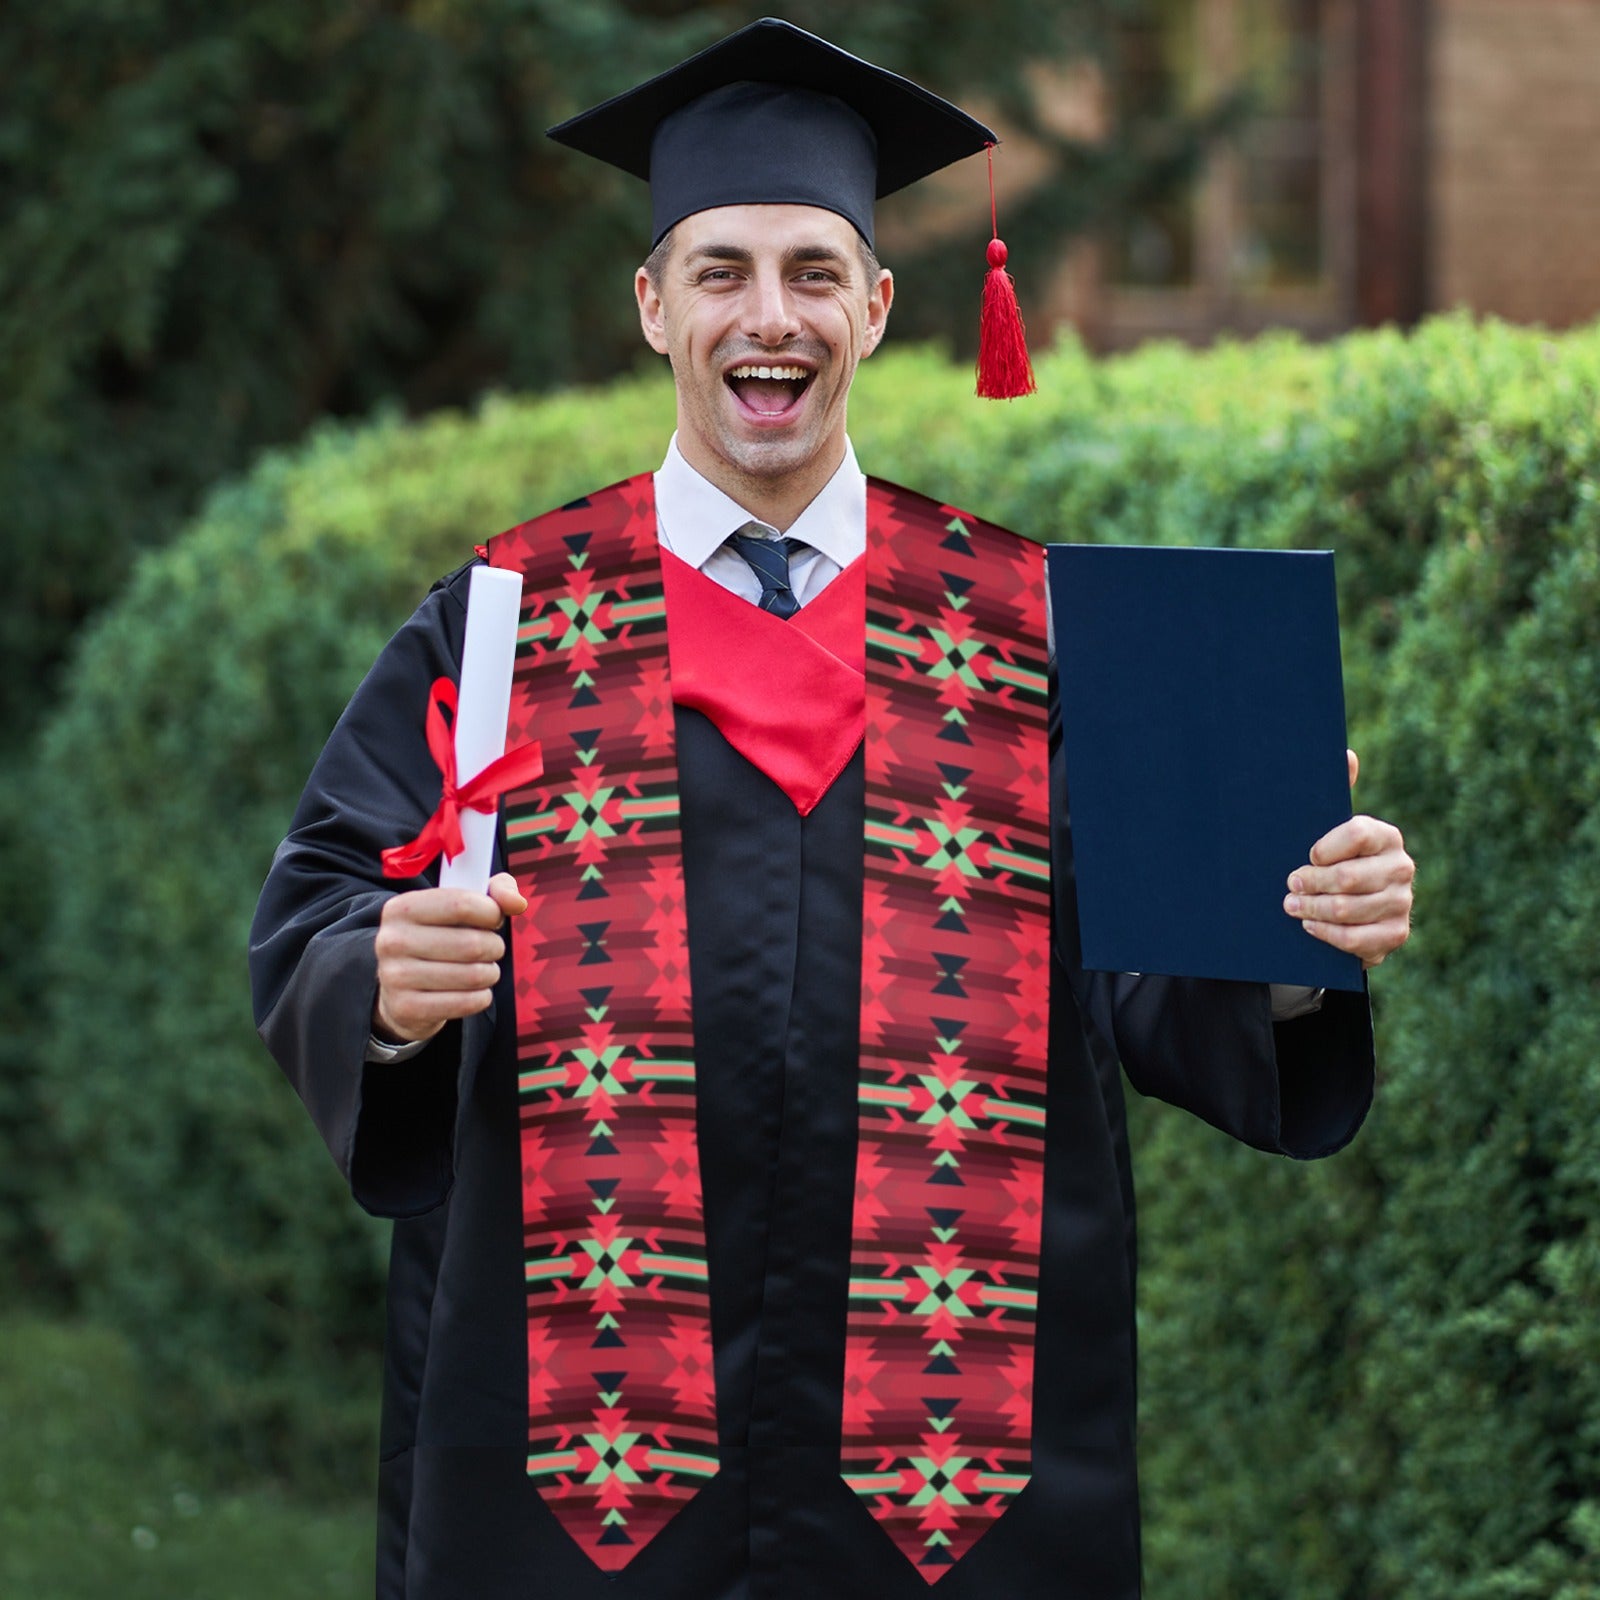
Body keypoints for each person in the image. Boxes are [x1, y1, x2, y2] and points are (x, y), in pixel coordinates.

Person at [249, 19, 1414, 1600]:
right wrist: (379, 983)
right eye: (721, 270)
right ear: (654, 305)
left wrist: (1292, 936)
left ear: (876, 305)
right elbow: (322, 903)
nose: (768, 316)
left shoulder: (1029, 630)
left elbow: (1153, 979)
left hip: (956, 1472)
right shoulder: (512, 621)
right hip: (580, 1468)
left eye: (812, 270)